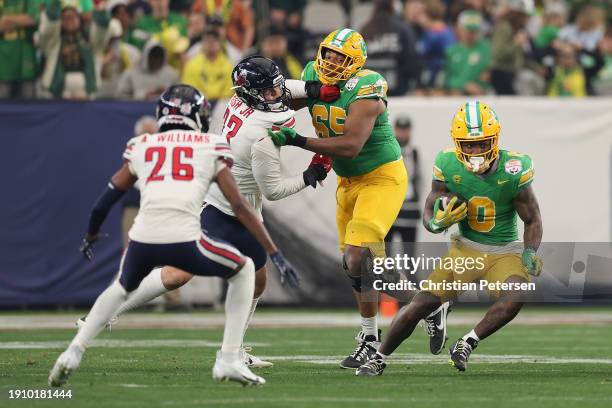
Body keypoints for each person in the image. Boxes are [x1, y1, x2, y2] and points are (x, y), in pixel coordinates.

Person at [75, 57, 340, 368]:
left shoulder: (243, 99)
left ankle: (235, 350)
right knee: (178, 274)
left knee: (257, 280)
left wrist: (312, 88)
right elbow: (274, 191)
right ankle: (103, 314)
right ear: (253, 94)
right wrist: (310, 176)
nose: (276, 95)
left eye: (275, 88)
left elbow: (283, 92)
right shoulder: (263, 129)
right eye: (268, 92)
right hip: (223, 206)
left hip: (243, 207)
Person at [49, 84, 298, 387]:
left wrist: (90, 234)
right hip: (194, 226)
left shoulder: (143, 143)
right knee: (229, 272)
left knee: (121, 287)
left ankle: (76, 347)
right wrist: (275, 251)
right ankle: (228, 358)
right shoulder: (209, 144)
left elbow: (108, 195)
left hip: (144, 235)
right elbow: (242, 201)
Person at [268, 28, 449, 369]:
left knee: (356, 257)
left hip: (381, 178)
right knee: (362, 268)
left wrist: (298, 141)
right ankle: (424, 307)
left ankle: (371, 338)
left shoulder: (368, 87)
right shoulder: (311, 72)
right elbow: (292, 103)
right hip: (347, 181)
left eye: (340, 58)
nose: (331, 62)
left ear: (356, 63)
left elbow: (350, 144)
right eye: (328, 55)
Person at [356, 101, 543, 376]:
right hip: (464, 250)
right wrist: (436, 222)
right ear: (457, 143)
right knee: (420, 304)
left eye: (481, 143)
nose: (475, 151)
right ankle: (379, 357)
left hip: (503, 251)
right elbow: (430, 207)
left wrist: (529, 251)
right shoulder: (447, 162)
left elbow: (533, 218)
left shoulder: (514, 167)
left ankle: (467, 342)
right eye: (468, 144)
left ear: (495, 140)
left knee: (518, 292)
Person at [385, 115, 420, 252]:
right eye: (400, 129)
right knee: (385, 257)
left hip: (410, 211)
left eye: (406, 129)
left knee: (410, 257)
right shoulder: (387, 151)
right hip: (389, 212)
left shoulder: (414, 153)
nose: (403, 133)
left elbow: (419, 179)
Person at [443, 10, 491, 96]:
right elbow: (447, 78)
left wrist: (480, 86)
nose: (471, 34)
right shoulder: (452, 51)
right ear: (459, 28)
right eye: (468, 30)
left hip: (481, 95)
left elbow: (487, 73)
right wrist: (464, 85)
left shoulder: (486, 48)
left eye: (474, 30)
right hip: (456, 95)